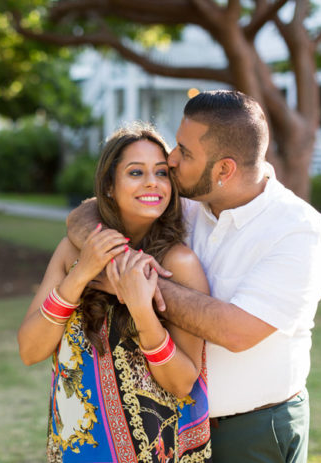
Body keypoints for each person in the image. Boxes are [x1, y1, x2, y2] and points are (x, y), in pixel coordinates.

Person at [67, 90, 321, 463]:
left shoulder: (298, 231)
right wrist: (122, 263)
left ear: (224, 170)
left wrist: (137, 285)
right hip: (171, 427)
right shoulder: (188, 201)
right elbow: (87, 213)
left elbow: (235, 331)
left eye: (184, 152)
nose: (171, 160)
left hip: (251, 432)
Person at [18, 123, 213, 462]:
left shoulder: (178, 263)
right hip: (77, 448)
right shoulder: (73, 250)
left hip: (153, 451)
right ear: (109, 185)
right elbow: (30, 350)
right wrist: (81, 274)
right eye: (135, 172)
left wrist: (142, 310)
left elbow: (183, 383)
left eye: (162, 173)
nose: (152, 182)